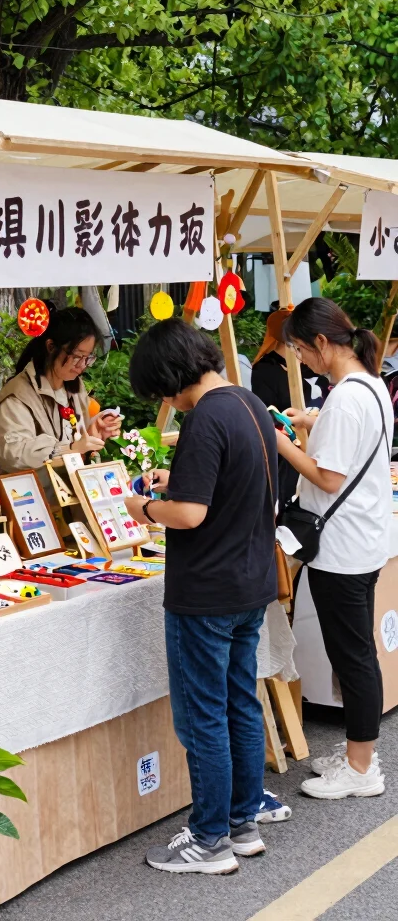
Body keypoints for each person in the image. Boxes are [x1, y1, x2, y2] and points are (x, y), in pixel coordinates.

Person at [124, 318, 278, 875]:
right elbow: (236, 482)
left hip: (207, 591)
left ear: (171, 376)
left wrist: (142, 509)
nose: (167, 402)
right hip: (249, 583)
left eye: (161, 391)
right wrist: (179, 479)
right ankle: (242, 823)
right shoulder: (247, 402)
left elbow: (190, 515)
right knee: (240, 702)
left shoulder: (205, 417)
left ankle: (210, 838)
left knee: (202, 716)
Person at [277, 297, 392, 799]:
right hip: (361, 540)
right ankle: (358, 755)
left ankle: (361, 769)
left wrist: (281, 441)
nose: (302, 360)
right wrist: (310, 424)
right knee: (357, 651)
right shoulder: (369, 384)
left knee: (353, 657)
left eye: (302, 350)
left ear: (322, 342)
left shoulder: (345, 398)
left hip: (341, 549)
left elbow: (328, 476)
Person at [0, 306, 121, 495]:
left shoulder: (75, 387)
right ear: (51, 347)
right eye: (77, 356)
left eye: (88, 358)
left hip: (66, 497)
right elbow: (13, 454)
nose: (82, 365)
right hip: (26, 500)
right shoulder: (18, 394)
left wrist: (93, 432)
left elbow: (77, 441)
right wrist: (68, 448)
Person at [251, 309, 329, 508]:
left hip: (321, 447)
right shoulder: (265, 369)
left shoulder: (314, 366)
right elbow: (268, 413)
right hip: (286, 452)